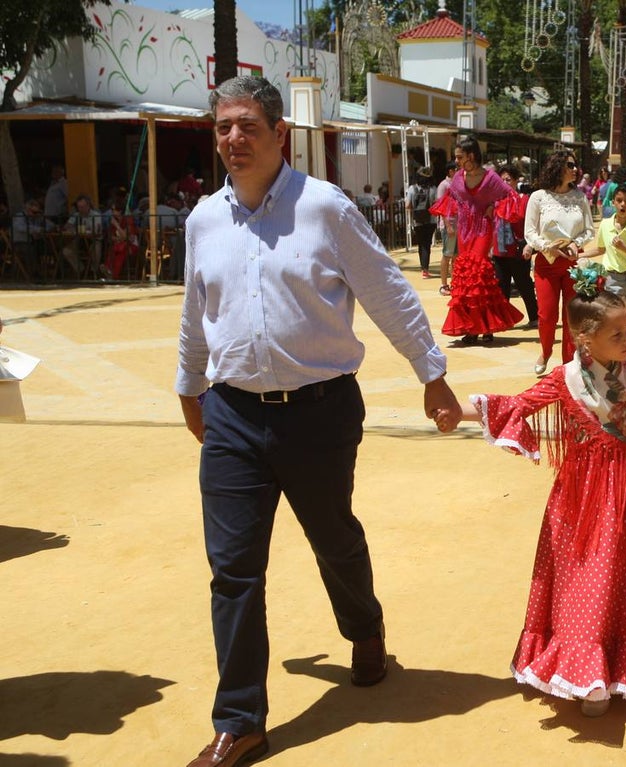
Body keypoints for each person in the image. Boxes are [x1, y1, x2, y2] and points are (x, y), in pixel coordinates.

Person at [175, 76, 463, 767]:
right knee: (233, 570)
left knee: (334, 537)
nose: (233, 139)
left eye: (247, 125)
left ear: (280, 133)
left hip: (320, 413)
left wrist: (433, 373)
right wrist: (189, 387)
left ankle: (364, 627)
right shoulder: (203, 221)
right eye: (222, 128)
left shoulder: (324, 208)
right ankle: (240, 719)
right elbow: (195, 312)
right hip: (234, 415)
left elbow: (388, 290)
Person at [433, 263, 626, 717]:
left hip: (624, 494)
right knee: (581, 577)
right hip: (576, 499)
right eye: (616, 335)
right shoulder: (564, 379)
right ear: (585, 340)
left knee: (615, 573)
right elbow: (518, 405)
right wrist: (459, 411)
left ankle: (610, 667)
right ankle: (586, 673)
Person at [428, 137, 523, 345]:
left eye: (460, 157)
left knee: (478, 272)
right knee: (464, 277)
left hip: (483, 229)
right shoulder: (458, 178)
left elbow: (510, 196)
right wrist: (450, 221)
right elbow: (451, 200)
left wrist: (493, 207)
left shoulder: (490, 178)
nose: (456, 161)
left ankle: (487, 326)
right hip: (464, 231)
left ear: (471, 156)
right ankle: (471, 327)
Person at [524, 150, 595, 375]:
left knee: (571, 316)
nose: (576, 170)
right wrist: (547, 246)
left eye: (575, 166)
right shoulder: (538, 197)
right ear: (558, 168)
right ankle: (545, 351)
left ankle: (568, 364)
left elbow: (589, 230)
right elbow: (529, 232)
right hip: (547, 262)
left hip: (573, 263)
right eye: (571, 166)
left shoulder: (579, 197)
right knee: (546, 315)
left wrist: (576, 243)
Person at [582, 180, 626, 363]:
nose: (623, 204)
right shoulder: (606, 225)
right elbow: (600, 249)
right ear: (613, 202)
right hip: (612, 280)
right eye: (619, 200)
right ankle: (613, 362)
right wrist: (579, 253)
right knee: (612, 327)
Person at [492, 165, 539, 330]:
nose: (504, 182)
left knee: (524, 284)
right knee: (501, 286)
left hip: (518, 249)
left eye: (508, 179)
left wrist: (529, 245)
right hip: (499, 250)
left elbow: (531, 224)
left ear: (515, 180)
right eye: (502, 179)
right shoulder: (495, 201)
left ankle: (534, 317)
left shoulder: (524, 200)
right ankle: (504, 320)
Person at [406, 166, 439, 279]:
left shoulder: (412, 189)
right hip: (431, 220)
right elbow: (436, 204)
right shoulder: (433, 189)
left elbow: (407, 205)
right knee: (427, 244)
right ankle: (425, 269)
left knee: (421, 244)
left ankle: (423, 268)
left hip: (417, 221)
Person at [61, 194, 103, 278]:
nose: (81, 209)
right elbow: (67, 226)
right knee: (66, 251)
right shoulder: (76, 215)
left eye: (83, 207)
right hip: (79, 240)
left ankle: (93, 272)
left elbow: (97, 231)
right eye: (79, 207)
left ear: (88, 205)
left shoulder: (96, 215)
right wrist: (70, 227)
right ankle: (82, 270)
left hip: (93, 240)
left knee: (96, 250)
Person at [436, 162, 458, 296]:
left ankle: (454, 283)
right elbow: (441, 206)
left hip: (459, 224)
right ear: (450, 171)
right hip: (449, 224)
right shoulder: (444, 185)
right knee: (447, 255)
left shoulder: (458, 184)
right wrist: (448, 226)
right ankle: (444, 284)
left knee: (456, 256)